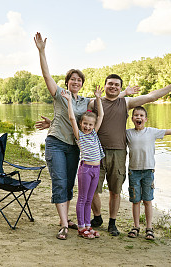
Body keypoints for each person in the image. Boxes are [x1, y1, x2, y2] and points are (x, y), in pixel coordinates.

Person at [34, 32, 136, 240]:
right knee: (60, 182)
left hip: (73, 146)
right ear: (67, 81)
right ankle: (64, 224)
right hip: (56, 144)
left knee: (69, 184)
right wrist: (42, 52)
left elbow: (104, 102)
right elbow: (46, 76)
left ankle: (67, 219)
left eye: (79, 80)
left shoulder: (84, 102)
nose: (75, 82)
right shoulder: (60, 95)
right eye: (72, 79)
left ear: (82, 84)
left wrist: (124, 92)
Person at [89, 73, 171, 236]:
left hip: (118, 153)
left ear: (120, 88)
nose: (113, 87)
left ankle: (112, 223)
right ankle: (97, 217)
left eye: (116, 85)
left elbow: (150, 97)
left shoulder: (125, 102)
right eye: (110, 84)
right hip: (96, 152)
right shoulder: (94, 102)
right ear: (104, 85)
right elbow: (78, 115)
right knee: (92, 189)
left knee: (115, 191)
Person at [126, 106, 171, 240]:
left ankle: (149, 227)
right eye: (136, 115)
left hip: (148, 171)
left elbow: (169, 131)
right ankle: (135, 226)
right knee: (135, 200)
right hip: (133, 171)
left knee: (147, 200)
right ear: (132, 119)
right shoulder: (128, 133)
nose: (139, 118)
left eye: (141, 116)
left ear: (146, 119)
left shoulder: (152, 132)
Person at [61, 87, 105, 239]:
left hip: (96, 169)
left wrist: (98, 98)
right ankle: (81, 228)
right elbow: (72, 118)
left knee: (89, 198)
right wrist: (68, 101)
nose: (87, 127)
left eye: (90, 125)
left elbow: (101, 116)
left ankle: (87, 225)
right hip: (85, 169)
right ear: (81, 124)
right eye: (85, 124)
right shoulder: (80, 135)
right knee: (82, 198)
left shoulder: (94, 133)